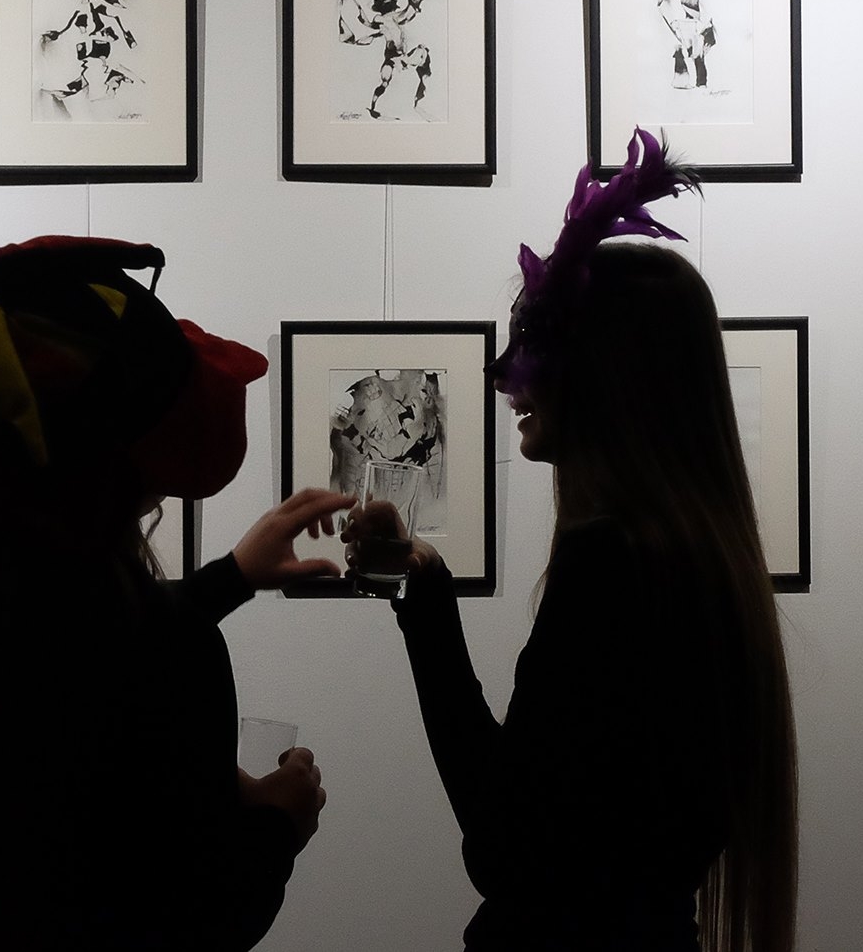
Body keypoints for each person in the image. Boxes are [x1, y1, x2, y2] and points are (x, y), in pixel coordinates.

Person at [327, 130, 799, 951]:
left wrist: (428, 611)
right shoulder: (704, 564)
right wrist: (420, 574)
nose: (508, 375)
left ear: (608, 372)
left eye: (540, 343)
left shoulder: (607, 563)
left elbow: (505, 844)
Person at [0, 235, 354, 950]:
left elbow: (83, 649)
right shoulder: (168, 646)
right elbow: (203, 918)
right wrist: (281, 820)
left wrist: (231, 576)